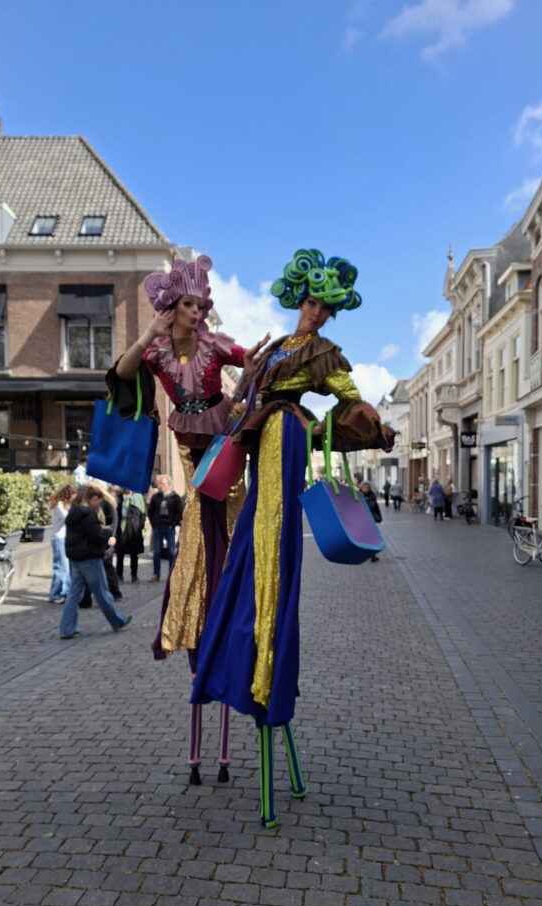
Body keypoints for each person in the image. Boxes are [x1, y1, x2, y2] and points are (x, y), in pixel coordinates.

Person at [190, 247, 394, 826]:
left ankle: (264, 670)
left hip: (286, 442)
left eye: (326, 308)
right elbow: (242, 402)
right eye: (310, 302)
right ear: (298, 297)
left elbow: (353, 402)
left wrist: (341, 425)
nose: (316, 314)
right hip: (262, 450)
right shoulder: (276, 346)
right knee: (254, 545)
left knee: (272, 548)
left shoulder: (323, 355)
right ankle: (248, 660)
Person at [110, 253, 263, 786]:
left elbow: (245, 358)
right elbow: (123, 373)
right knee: (197, 540)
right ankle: (197, 621)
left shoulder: (215, 346)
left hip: (224, 440)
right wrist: (148, 329)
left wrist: (259, 362)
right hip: (194, 461)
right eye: (190, 305)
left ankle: (237, 602)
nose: (199, 314)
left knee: (232, 511)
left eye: (203, 306)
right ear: (173, 306)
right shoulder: (155, 348)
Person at [59, 484, 131, 639]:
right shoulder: (88, 515)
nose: (100, 504)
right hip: (90, 558)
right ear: (92, 499)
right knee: (102, 593)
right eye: (99, 500)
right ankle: (118, 620)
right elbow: (95, 537)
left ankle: (66, 629)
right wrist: (107, 534)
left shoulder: (73, 513)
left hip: (75, 558)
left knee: (73, 595)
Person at [146, 476, 183, 582]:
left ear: (168, 484)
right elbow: (150, 511)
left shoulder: (175, 497)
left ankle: (172, 574)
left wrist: (173, 524)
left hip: (169, 527)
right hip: (158, 527)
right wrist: (154, 524)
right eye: (159, 483)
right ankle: (156, 574)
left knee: (171, 552)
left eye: (162, 483)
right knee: (157, 551)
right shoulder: (156, 497)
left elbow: (179, 512)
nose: (160, 485)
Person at [48, 483, 77, 603]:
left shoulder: (64, 505)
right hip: (59, 538)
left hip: (65, 537)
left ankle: (65, 592)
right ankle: (56, 594)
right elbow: (68, 519)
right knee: (61, 567)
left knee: (66, 567)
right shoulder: (59, 505)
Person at [117, 490, 146, 584]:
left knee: (134, 554)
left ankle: (134, 575)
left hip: (135, 530)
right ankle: (119, 575)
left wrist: (139, 526)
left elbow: (143, 514)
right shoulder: (119, 498)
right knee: (120, 553)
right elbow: (117, 514)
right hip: (122, 529)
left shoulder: (139, 497)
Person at [359, 481, 382, 562]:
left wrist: (379, 517)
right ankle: (363, 553)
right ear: (361, 488)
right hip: (362, 520)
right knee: (364, 538)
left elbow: (376, 507)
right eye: (364, 487)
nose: (366, 489)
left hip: (372, 519)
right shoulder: (358, 496)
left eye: (367, 487)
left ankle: (373, 555)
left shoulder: (372, 495)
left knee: (372, 538)